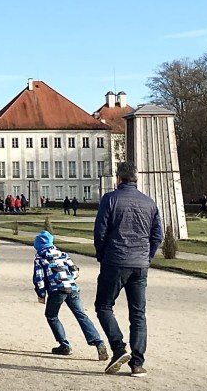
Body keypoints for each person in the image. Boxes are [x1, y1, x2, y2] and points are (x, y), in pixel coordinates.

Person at [93, 161, 164, 378]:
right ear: (136, 178)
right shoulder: (149, 203)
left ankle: (118, 348)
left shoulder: (110, 199)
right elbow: (157, 236)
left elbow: (100, 232)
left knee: (103, 305)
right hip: (140, 264)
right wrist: (147, 257)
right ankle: (137, 363)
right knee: (138, 313)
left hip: (115, 260)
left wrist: (102, 256)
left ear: (118, 178)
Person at [32, 230, 108, 361]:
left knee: (51, 315)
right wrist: (68, 280)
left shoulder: (40, 258)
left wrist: (41, 294)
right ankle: (98, 342)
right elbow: (75, 271)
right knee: (81, 315)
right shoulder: (63, 254)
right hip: (72, 288)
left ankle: (64, 344)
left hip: (56, 290)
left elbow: (39, 279)